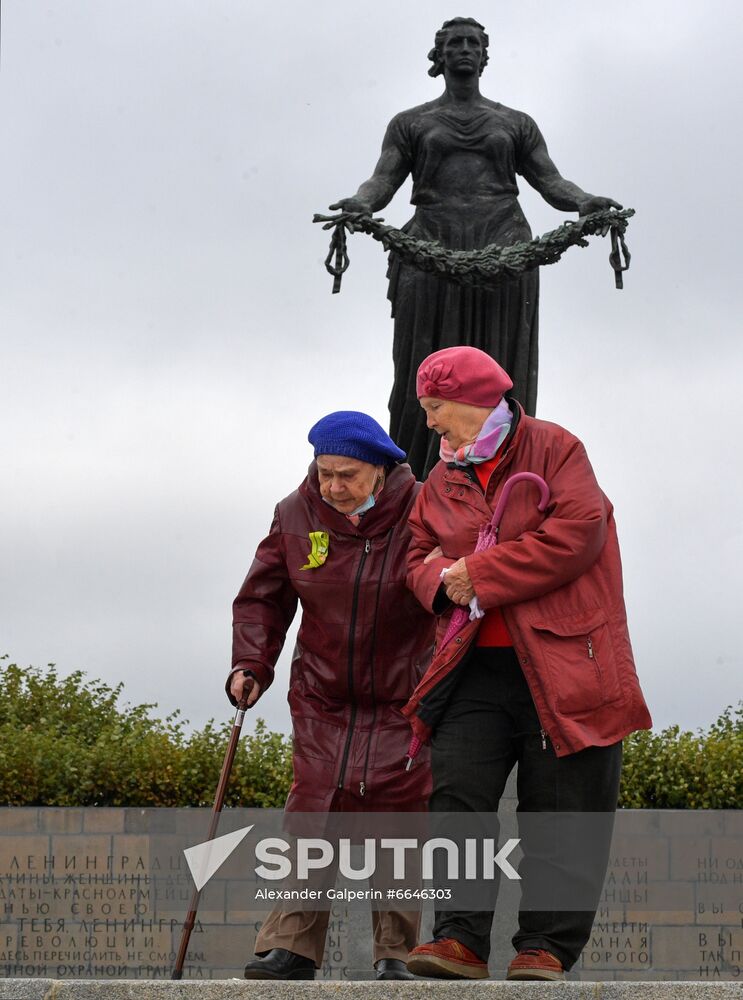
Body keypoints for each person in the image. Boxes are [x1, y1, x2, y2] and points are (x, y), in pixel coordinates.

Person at [400, 346, 652, 980]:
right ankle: (459, 939)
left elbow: (578, 531)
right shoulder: (440, 479)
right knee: (457, 798)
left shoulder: (556, 448)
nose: (428, 422)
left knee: (564, 807)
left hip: (565, 661)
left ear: (470, 401)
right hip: (470, 670)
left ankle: (546, 946)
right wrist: (438, 581)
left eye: (434, 408)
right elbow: (416, 554)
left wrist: (478, 572)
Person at [331, 17, 620, 479]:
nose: (464, 49)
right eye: (454, 43)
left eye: (473, 43)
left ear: (484, 55)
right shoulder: (410, 123)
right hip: (430, 244)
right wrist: (361, 203)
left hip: (504, 246)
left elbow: (550, 180)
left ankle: (505, 472)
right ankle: (418, 482)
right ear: (440, 56)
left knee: (503, 369)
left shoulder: (515, 123)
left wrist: (584, 202)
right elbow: (384, 179)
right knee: (419, 371)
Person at [227, 411, 435, 981]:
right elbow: (264, 598)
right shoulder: (295, 515)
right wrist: (251, 662)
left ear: (381, 470)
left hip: (405, 695)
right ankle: (291, 945)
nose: (334, 487)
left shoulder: (424, 510)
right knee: (312, 814)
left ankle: (397, 952)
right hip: (323, 695)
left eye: (347, 475)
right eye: (325, 474)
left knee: (396, 822)